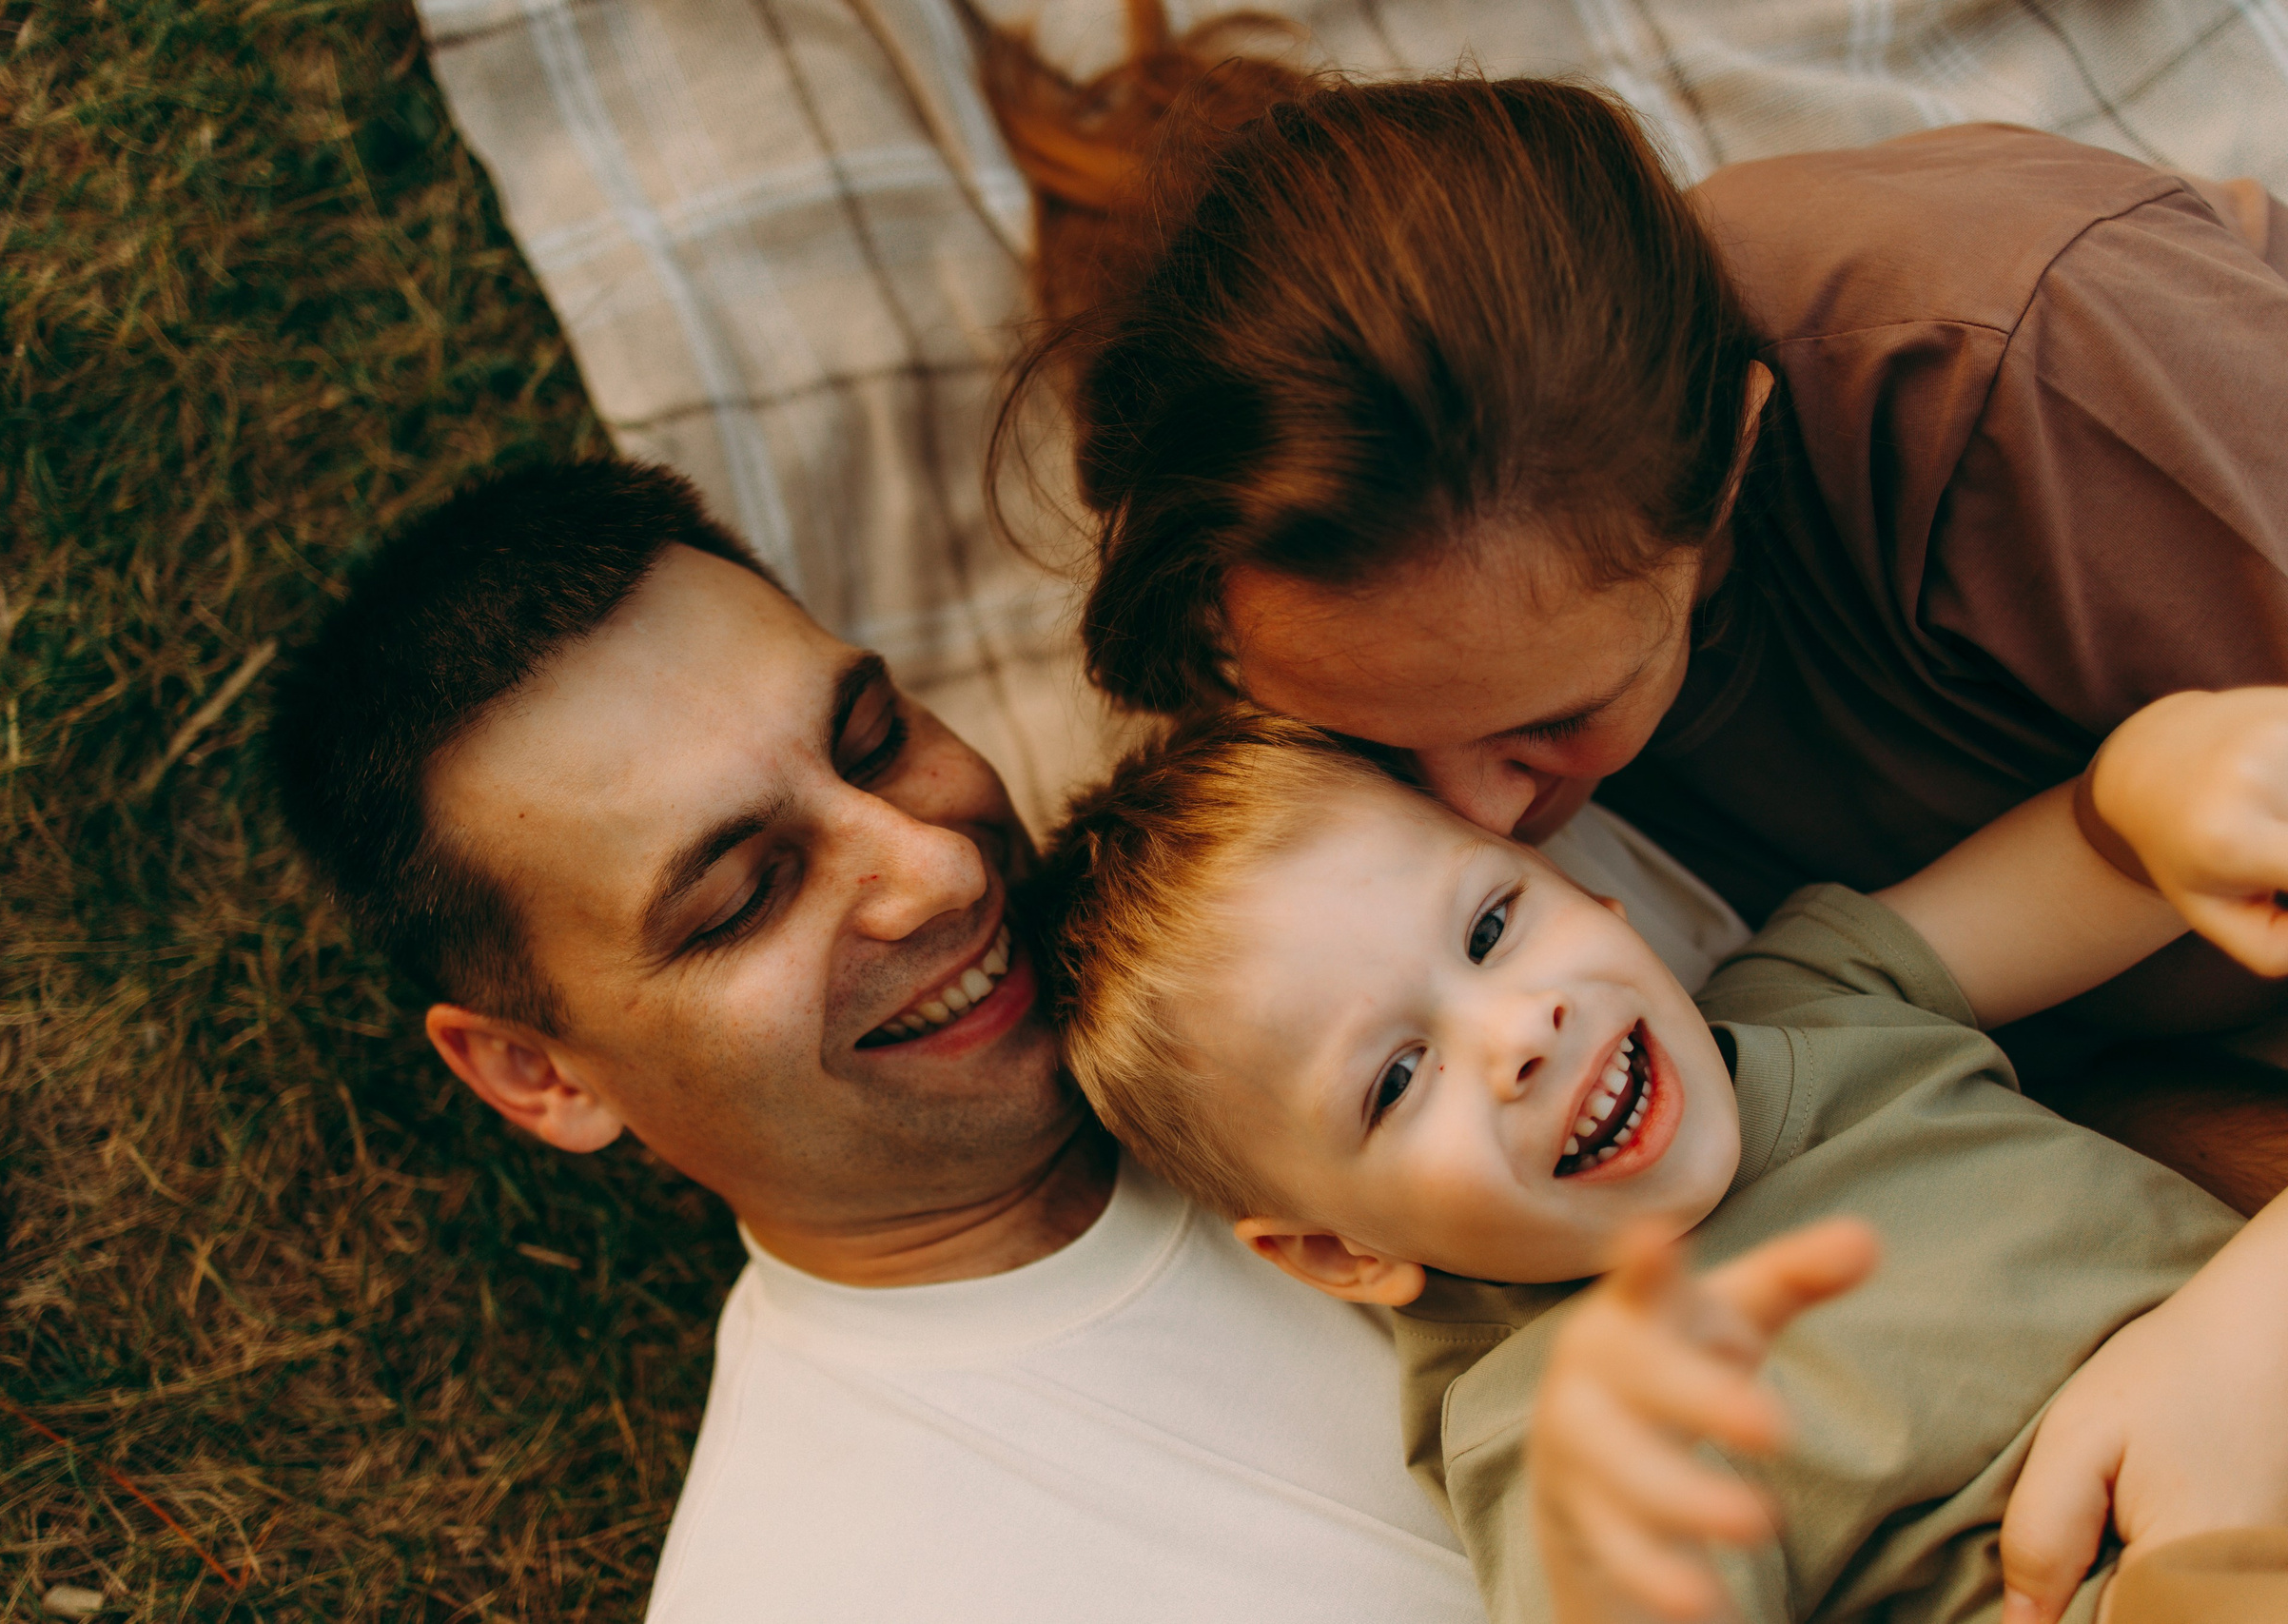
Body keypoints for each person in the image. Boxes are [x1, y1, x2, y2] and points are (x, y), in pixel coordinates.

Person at [264, 457, 1495, 1621]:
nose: (943, 868)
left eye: (875, 742)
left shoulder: (1371, 844)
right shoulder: (825, 1588)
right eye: (746, 894)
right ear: (538, 1075)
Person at [988, 29, 2288, 1076]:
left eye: (1552, 722)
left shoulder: (2029, 353)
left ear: (1735, 457)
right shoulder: (1303, 602)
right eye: (1368, 731)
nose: (1480, 825)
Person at [1031, 695, 2288, 1624]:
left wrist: (2155, 776)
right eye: (1399, 1080)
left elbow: (2099, 855)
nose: (1519, 1032)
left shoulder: (1816, 997)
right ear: (1339, 1252)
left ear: (1590, 898)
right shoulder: (1566, 1420)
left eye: (1490, 926)